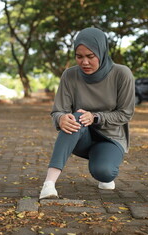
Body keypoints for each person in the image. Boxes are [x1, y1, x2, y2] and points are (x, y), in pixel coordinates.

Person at [39, 27, 135, 200]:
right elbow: (58, 110)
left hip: (110, 138)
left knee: (104, 172)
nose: (84, 62)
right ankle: (49, 184)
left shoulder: (122, 74)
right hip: (80, 135)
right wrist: (61, 118)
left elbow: (125, 113)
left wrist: (95, 117)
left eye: (90, 56)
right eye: (79, 56)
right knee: (76, 117)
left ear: (102, 52)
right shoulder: (69, 75)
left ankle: (102, 163)